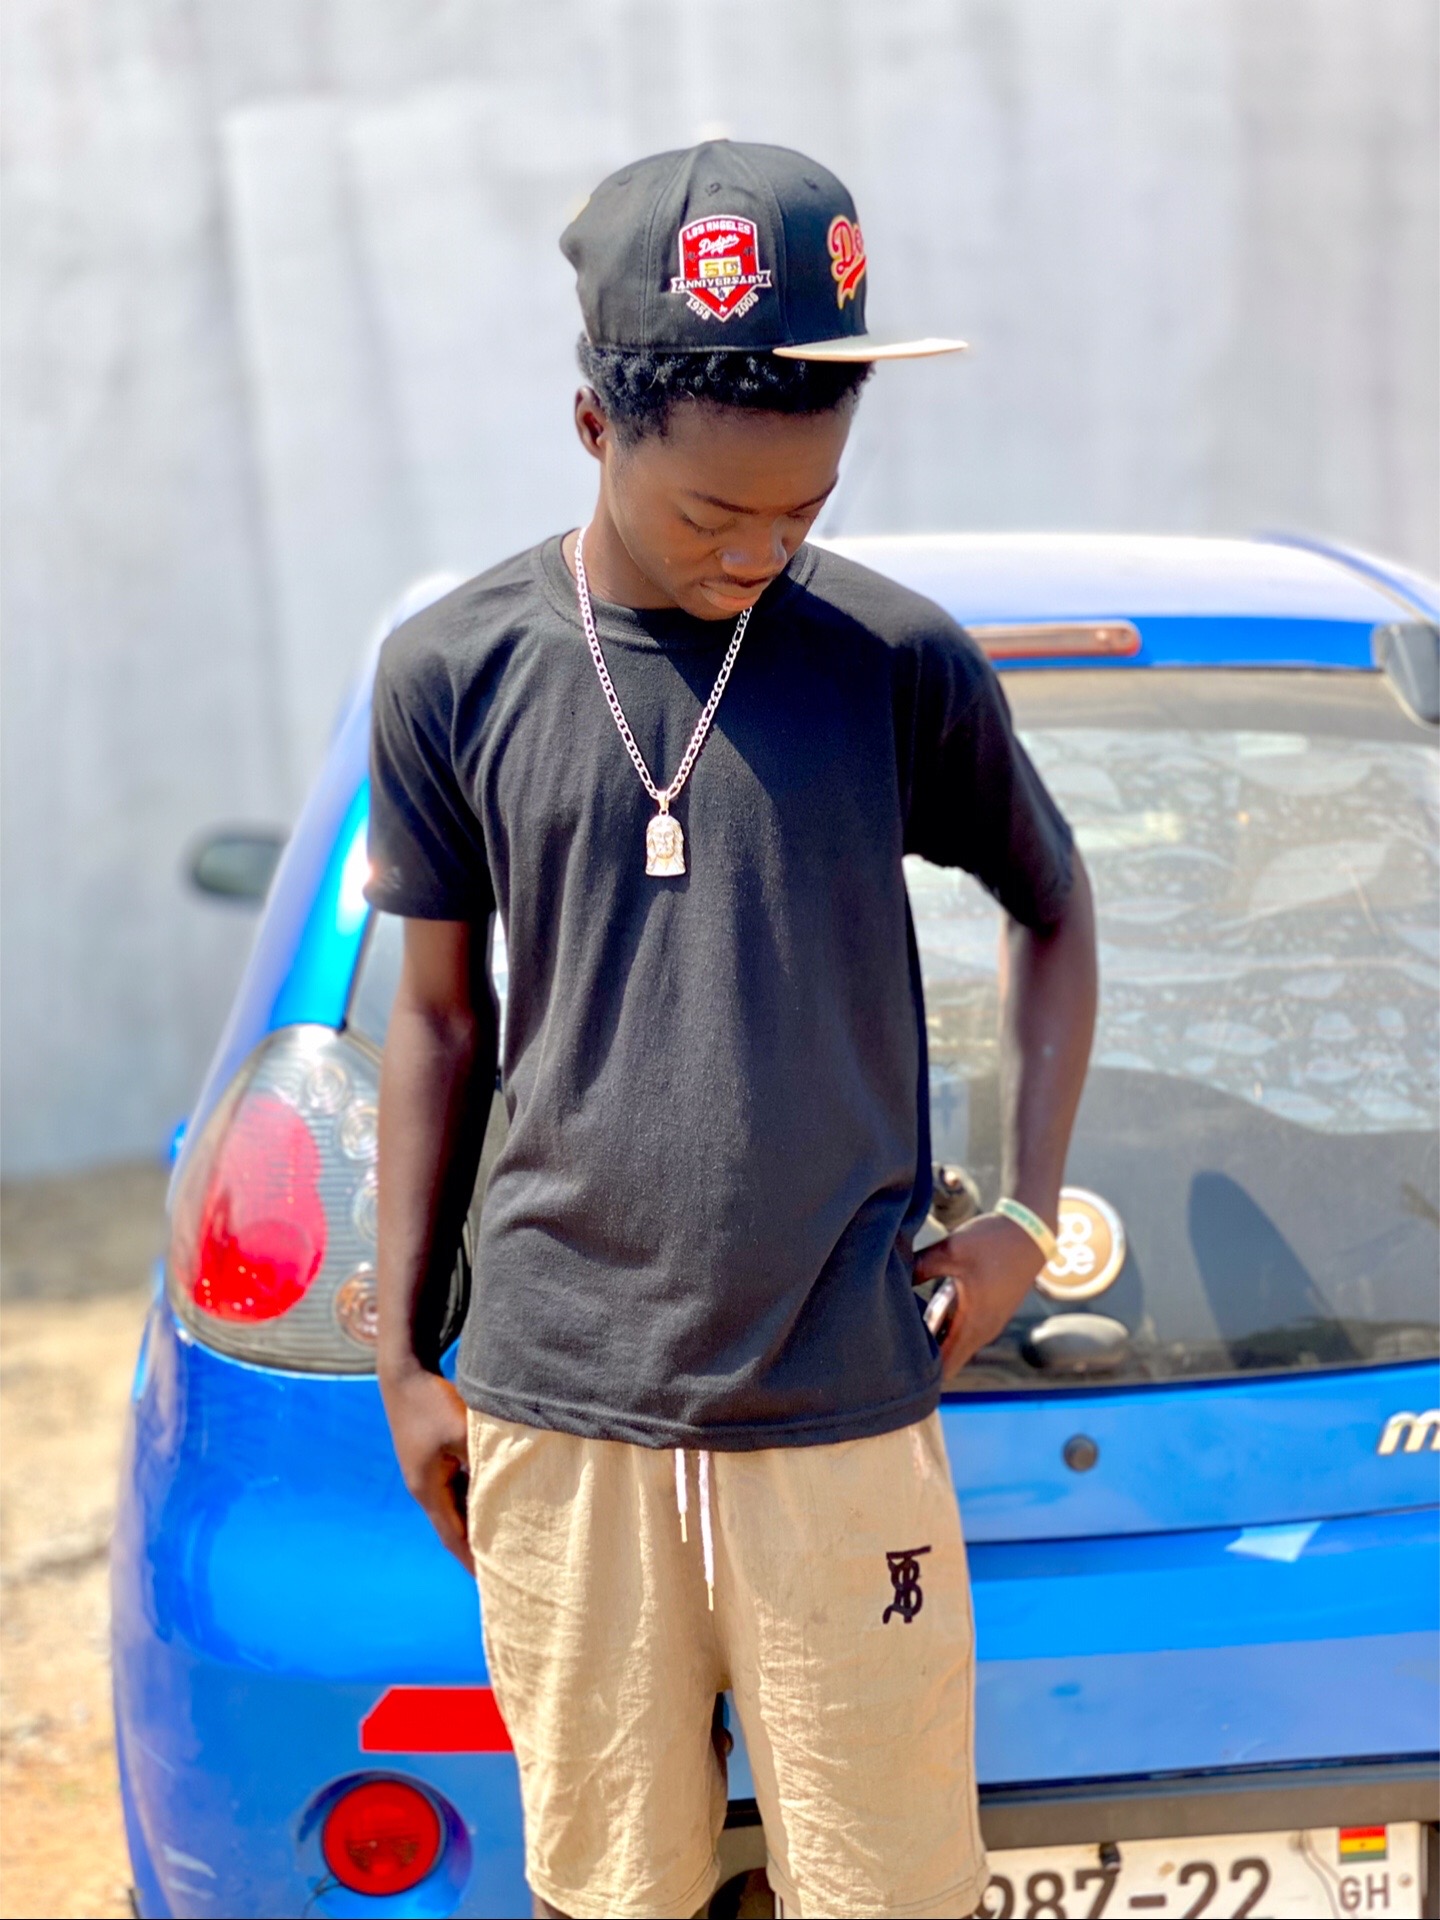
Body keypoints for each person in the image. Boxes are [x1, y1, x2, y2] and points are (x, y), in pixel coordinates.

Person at [367, 140, 1097, 1920]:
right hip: (561, 1408)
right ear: (593, 427)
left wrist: (1022, 1215)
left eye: (806, 509)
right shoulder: (456, 671)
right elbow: (441, 1027)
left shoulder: (892, 664)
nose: (762, 553)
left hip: (840, 1403)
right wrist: (404, 1354)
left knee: (890, 1888)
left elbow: (1055, 907)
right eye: (715, 516)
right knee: (610, 1889)